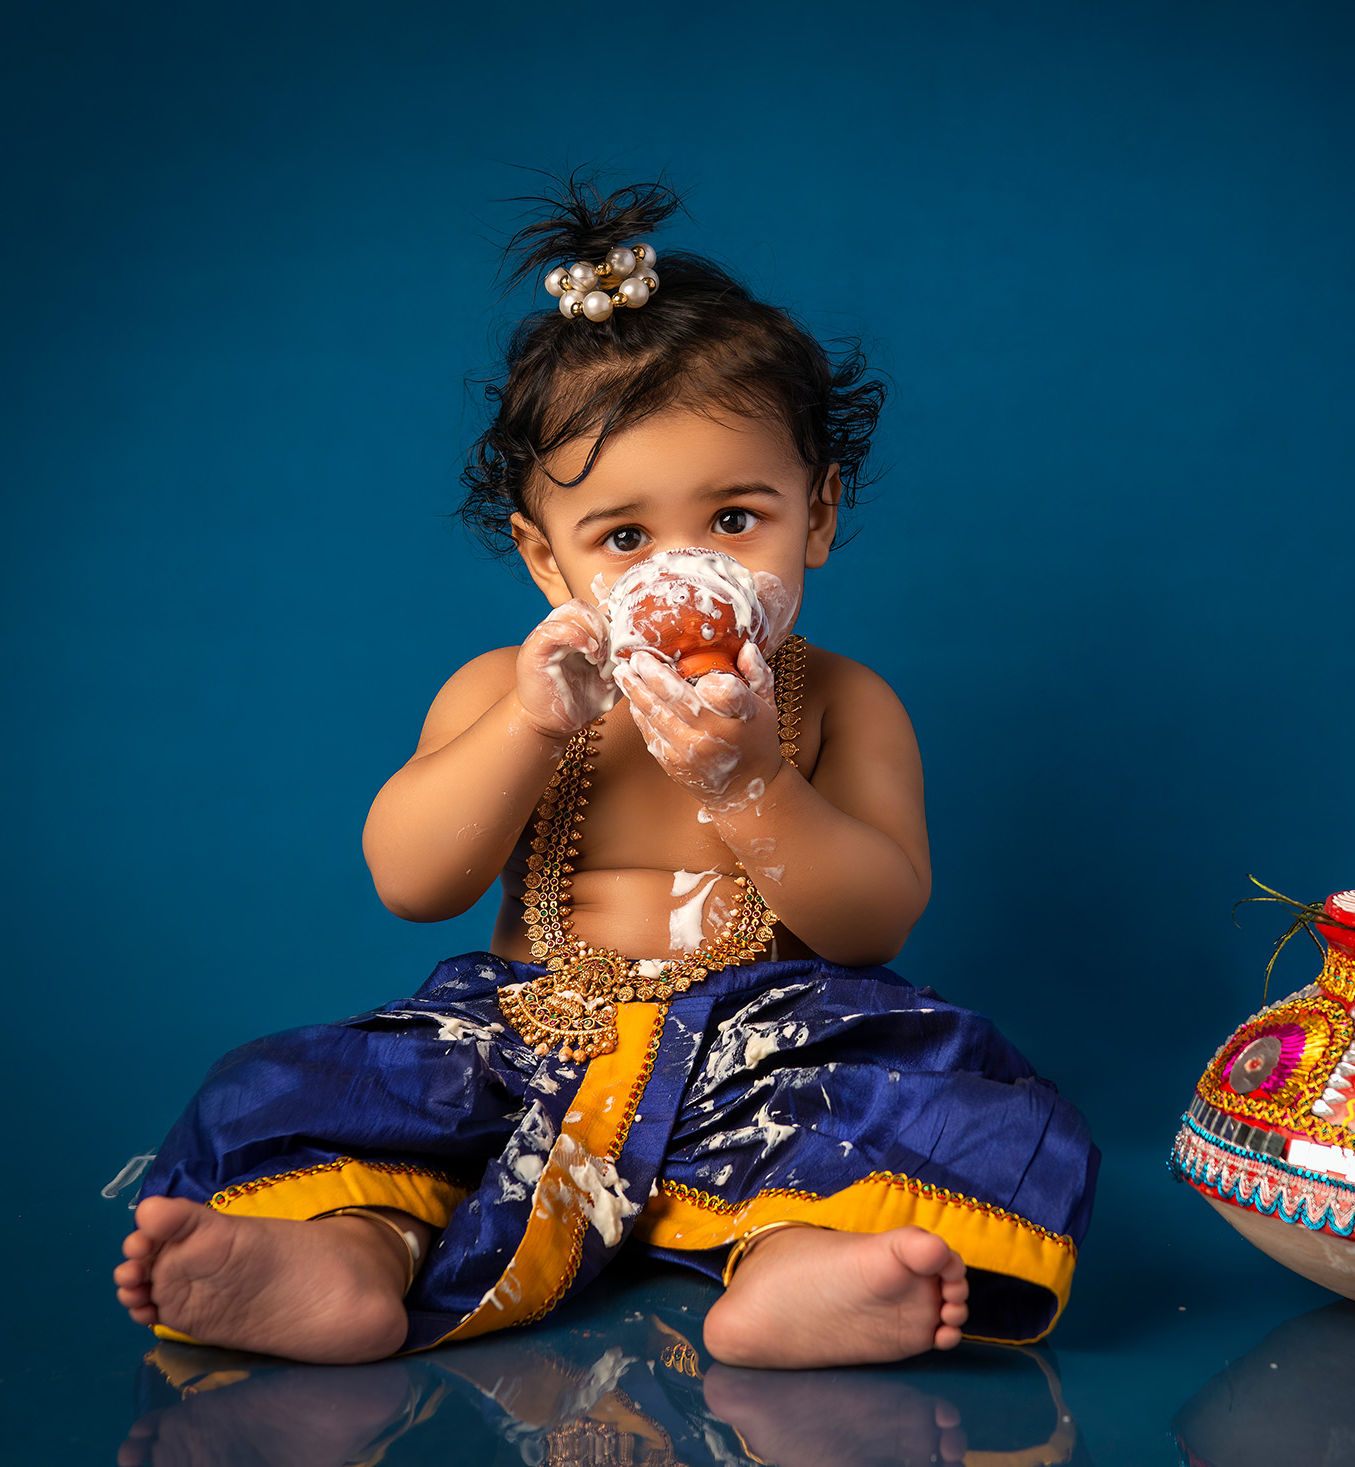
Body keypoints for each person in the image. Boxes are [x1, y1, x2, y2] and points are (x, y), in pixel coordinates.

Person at [111, 179, 1098, 1368]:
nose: (683, 566)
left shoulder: (840, 701)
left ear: (818, 516)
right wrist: (526, 727)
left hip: (765, 1061)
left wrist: (753, 784)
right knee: (316, 1091)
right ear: (545, 560)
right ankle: (343, 1259)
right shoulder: (505, 691)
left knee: (947, 1104)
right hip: (520, 1040)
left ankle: (803, 1269)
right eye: (622, 538)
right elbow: (412, 881)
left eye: (737, 518)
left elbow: (872, 921)